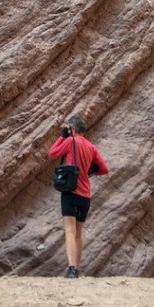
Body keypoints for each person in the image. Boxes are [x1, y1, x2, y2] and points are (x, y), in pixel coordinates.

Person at [47, 113, 109, 278]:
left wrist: (62, 136)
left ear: (72, 129)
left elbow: (52, 153)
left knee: (70, 231)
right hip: (85, 196)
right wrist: (87, 173)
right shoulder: (91, 147)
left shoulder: (70, 141)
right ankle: (78, 269)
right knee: (79, 233)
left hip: (71, 193)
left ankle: (71, 269)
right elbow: (104, 169)